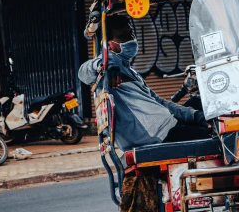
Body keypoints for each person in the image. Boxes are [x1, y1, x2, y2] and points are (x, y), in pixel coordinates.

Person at [78, 14, 209, 151]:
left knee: (196, 104)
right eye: (124, 36)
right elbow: (83, 73)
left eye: (131, 34)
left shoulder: (130, 71)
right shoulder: (109, 65)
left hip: (165, 126)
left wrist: (194, 115)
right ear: (109, 45)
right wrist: (106, 64)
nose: (132, 40)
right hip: (154, 135)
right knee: (217, 137)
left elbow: (159, 102)